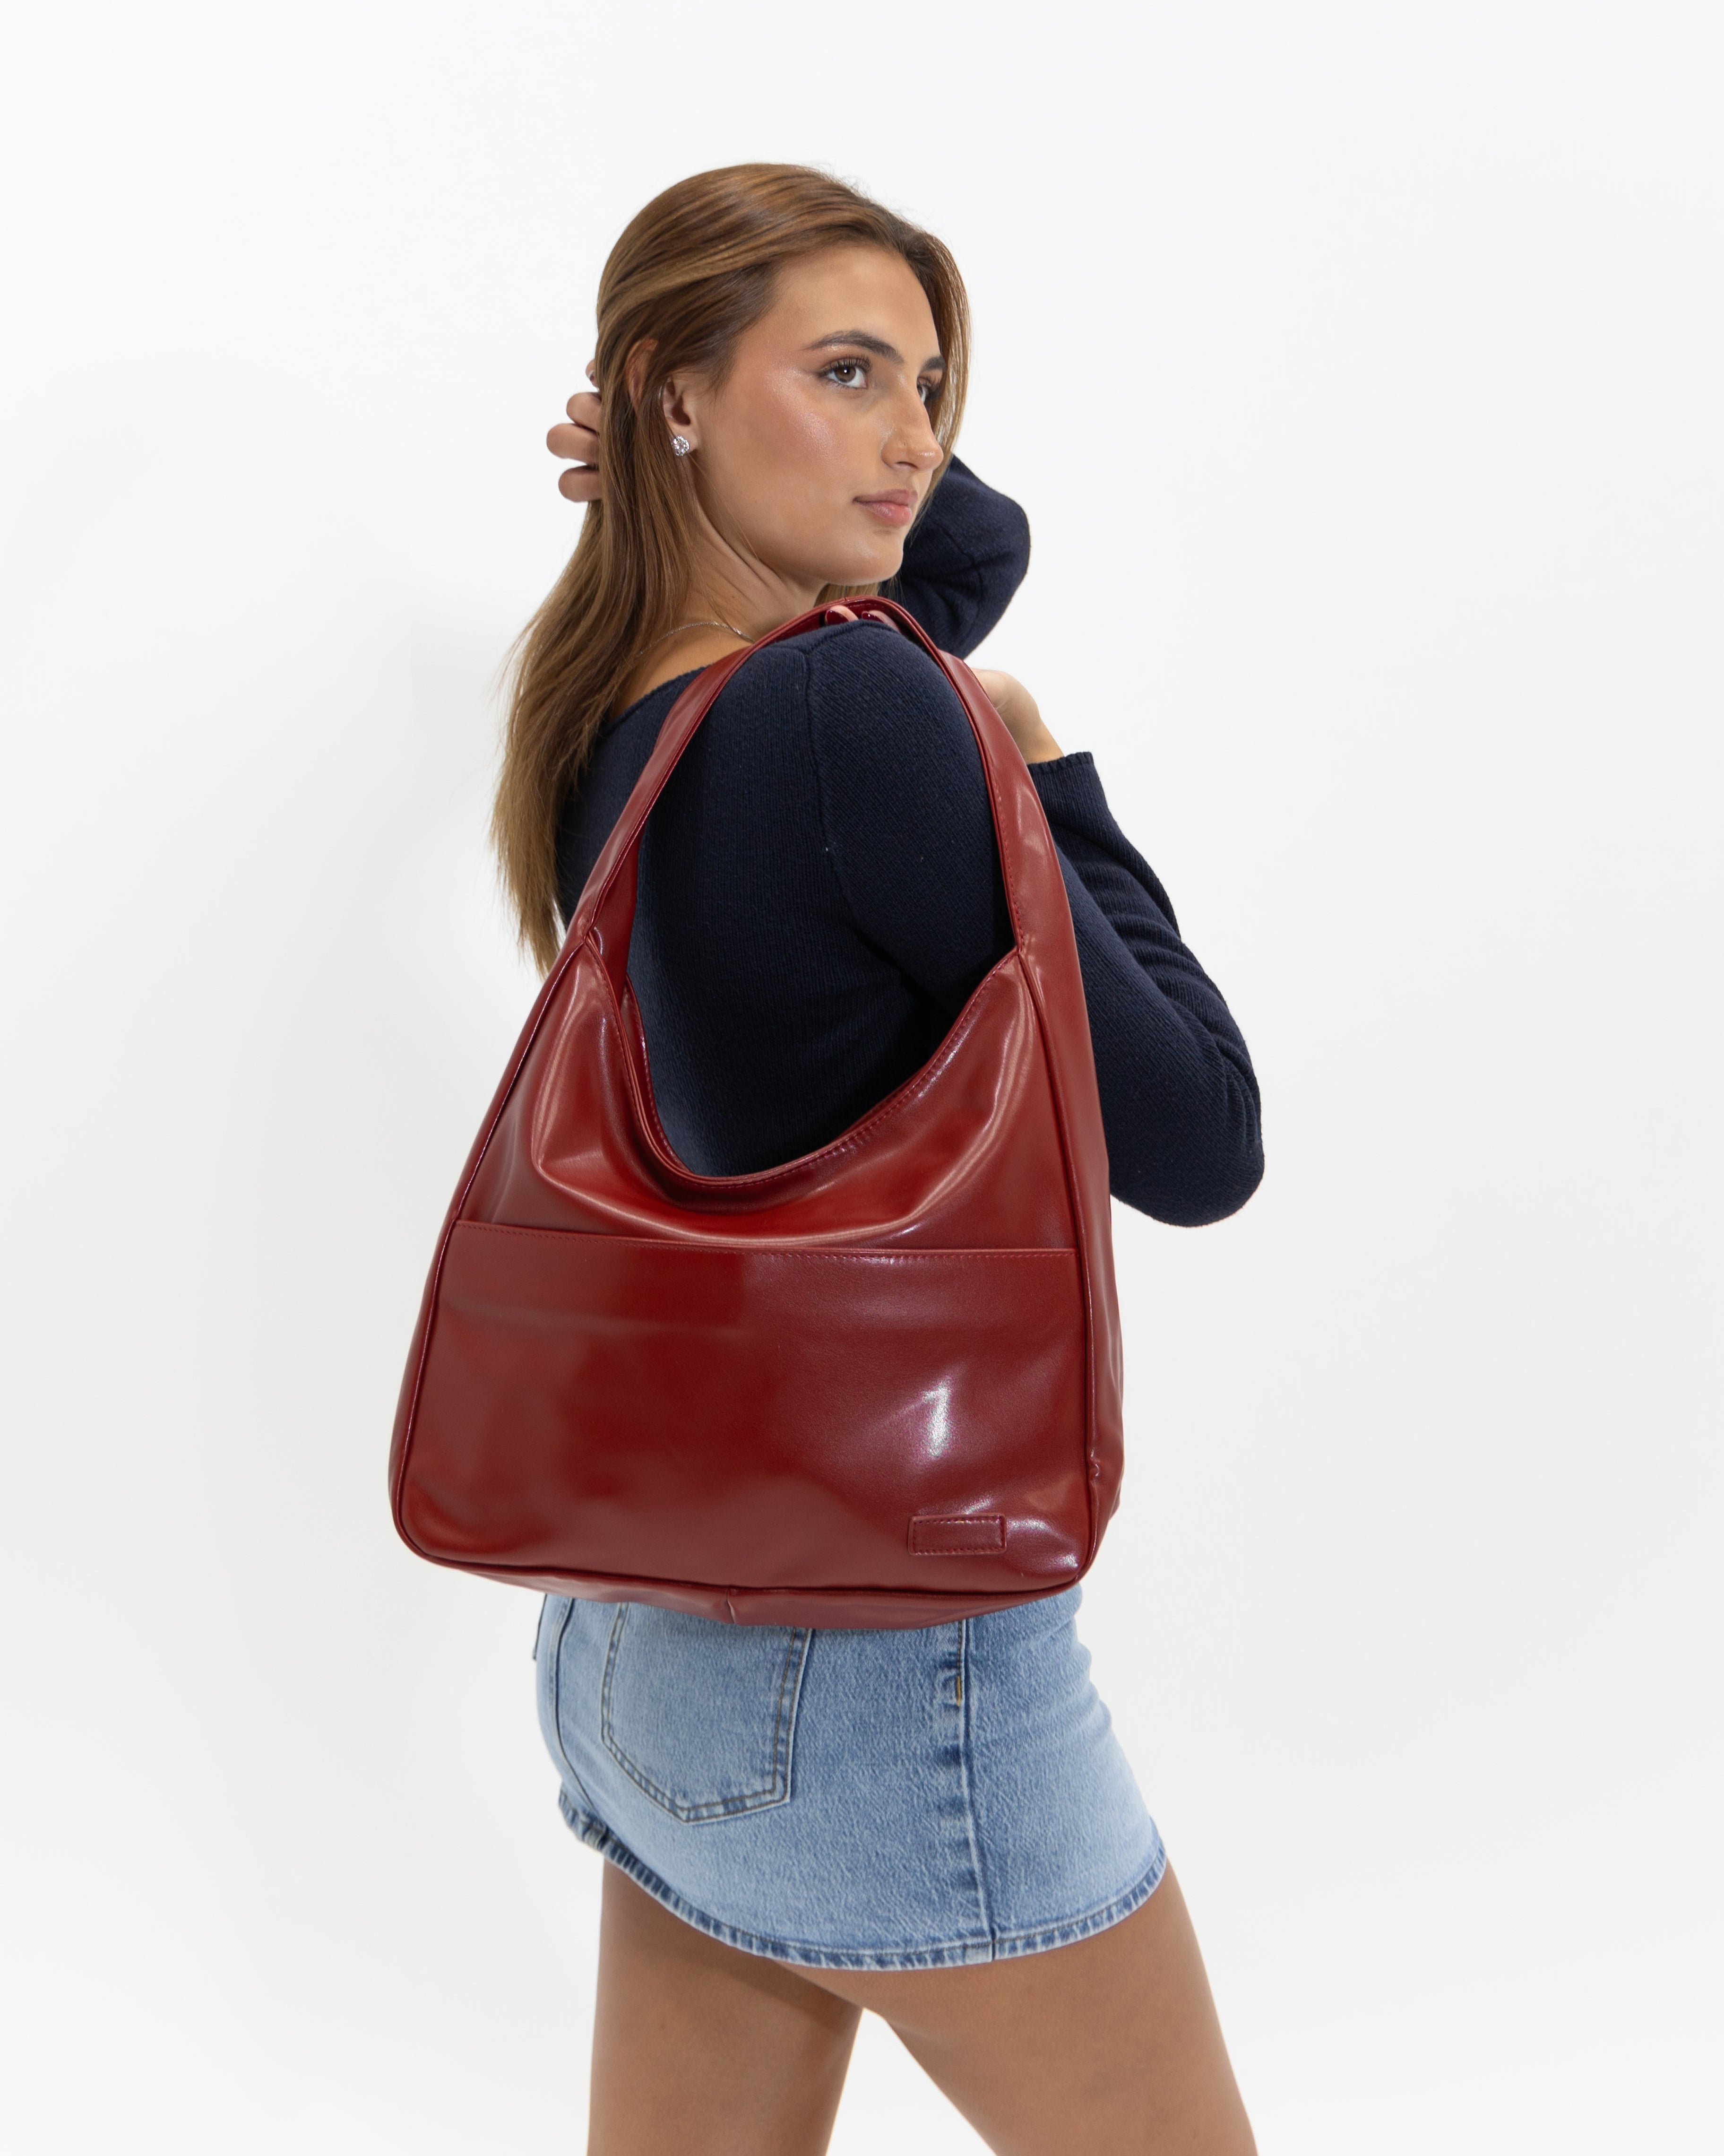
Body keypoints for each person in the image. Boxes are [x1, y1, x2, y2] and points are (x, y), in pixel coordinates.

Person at [493, 163, 1264, 2155]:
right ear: (674, 387)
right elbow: (1203, 1135)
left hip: (644, 1634)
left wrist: (696, 441)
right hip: (875, 1669)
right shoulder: (851, 707)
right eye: (845, 374)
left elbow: (957, 541)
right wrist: (1049, 771)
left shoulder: (617, 711)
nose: (915, 443)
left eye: (928, 384)